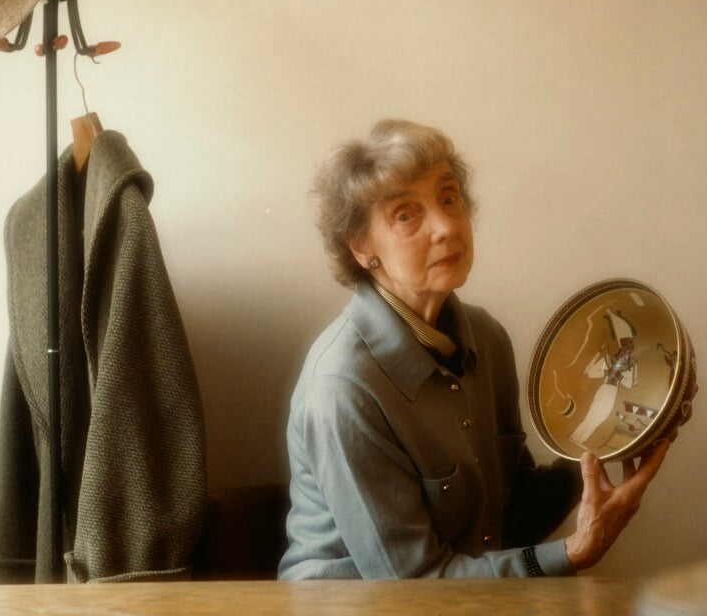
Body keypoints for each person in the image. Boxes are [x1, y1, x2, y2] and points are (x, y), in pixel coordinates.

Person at [278, 119, 668, 579]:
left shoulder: (486, 338)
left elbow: (509, 516)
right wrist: (574, 552)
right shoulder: (343, 389)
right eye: (406, 215)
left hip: (467, 597)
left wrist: (612, 436)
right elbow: (411, 585)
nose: (446, 226)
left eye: (448, 198)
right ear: (361, 247)